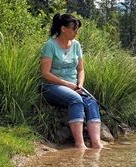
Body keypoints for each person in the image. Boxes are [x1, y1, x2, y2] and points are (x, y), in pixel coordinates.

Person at [40, 13, 103, 149]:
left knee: (91, 102)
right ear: (63, 29)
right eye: (74, 29)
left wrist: (79, 84)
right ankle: (80, 144)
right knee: (76, 99)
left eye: (77, 29)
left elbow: (81, 70)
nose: (76, 32)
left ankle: (97, 144)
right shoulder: (50, 45)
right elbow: (45, 73)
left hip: (74, 86)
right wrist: (67, 84)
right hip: (52, 86)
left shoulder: (76, 45)